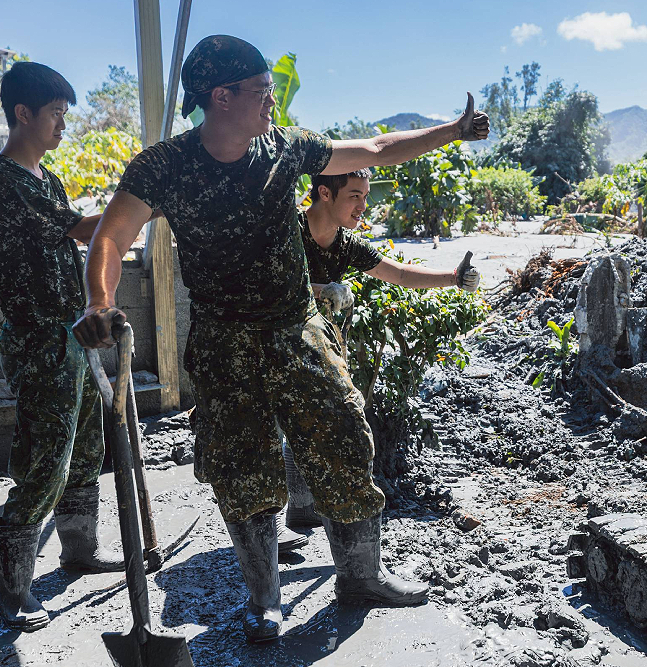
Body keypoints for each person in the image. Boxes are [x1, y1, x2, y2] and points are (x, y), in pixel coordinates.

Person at [71, 35, 489, 643]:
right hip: (223, 341)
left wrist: (453, 131)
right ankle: (265, 600)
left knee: (345, 438)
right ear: (222, 96)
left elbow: (375, 148)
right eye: (263, 90)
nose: (272, 100)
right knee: (243, 469)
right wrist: (99, 301)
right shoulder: (165, 166)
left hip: (297, 330)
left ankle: (361, 576)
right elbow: (111, 236)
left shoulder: (286, 147)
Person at [276, 168, 480, 551]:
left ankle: (301, 510)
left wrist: (453, 277)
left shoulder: (345, 244)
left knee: (306, 422)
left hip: (316, 343)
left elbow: (398, 273)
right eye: (355, 196)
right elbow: (270, 282)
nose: (363, 206)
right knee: (278, 426)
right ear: (325, 193)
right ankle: (273, 529)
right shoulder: (286, 232)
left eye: (366, 196)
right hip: (269, 340)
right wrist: (321, 289)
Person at [0, 62, 126, 632]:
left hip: (73, 330)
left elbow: (73, 232)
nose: (63, 125)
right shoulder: (8, 182)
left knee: (86, 447)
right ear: (23, 113)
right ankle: (11, 585)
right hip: (38, 338)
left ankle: (79, 549)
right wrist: (143, 207)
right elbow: (80, 228)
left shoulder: (46, 178)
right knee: (46, 458)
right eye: (56, 114)